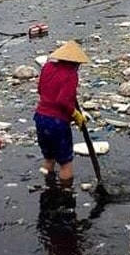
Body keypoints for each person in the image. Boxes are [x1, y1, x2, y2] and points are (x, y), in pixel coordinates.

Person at [34, 41, 90, 188]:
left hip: (40, 118)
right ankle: (65, 193)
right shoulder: (70, 75)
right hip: (57, 123)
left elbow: (40, 90)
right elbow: (63, 101)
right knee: (65, 163)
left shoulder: (47, 67)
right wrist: (75, 114)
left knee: (49, 158)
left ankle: (47, 186)